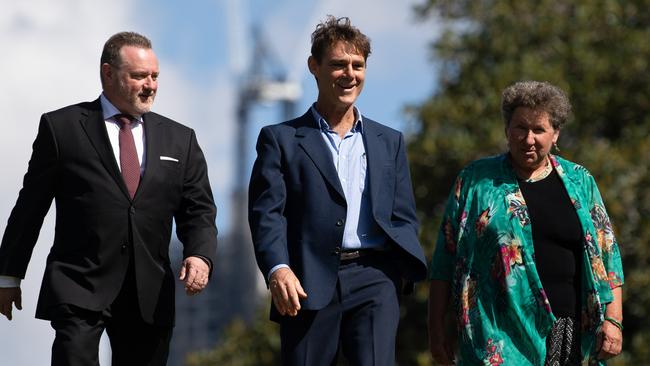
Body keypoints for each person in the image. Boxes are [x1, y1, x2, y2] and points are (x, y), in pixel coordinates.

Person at [0, 31, 218, 365]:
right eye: (139, 76)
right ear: (108, 73)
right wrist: (9, 275)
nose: (150, 85)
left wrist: (200, 255)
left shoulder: (181, 140)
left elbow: (199, 209)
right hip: (79, 284)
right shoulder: (62, 128)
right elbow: (30, 207)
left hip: (149, 292)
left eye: (155, 76)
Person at [248, 15, 427, 365]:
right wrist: (278, 269)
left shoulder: (389, 141)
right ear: (314, 67)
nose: (349, 74)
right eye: (338, 65)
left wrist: (398, 273)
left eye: (357, 65)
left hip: (375, 278)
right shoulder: (280, 139)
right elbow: (267, 214)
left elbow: (403, 214)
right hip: (306, 282)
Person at [428, 81, 624, 365]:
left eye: (539, 130)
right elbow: (444, 261)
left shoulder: (580, 180)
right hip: (496, 340)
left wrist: (613, 321)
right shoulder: (475, 181)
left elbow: (608, 255)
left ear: (555, 134)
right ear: (507, 130)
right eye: (520, 128)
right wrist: (436, 331)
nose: (528, 138)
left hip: (569, 333)